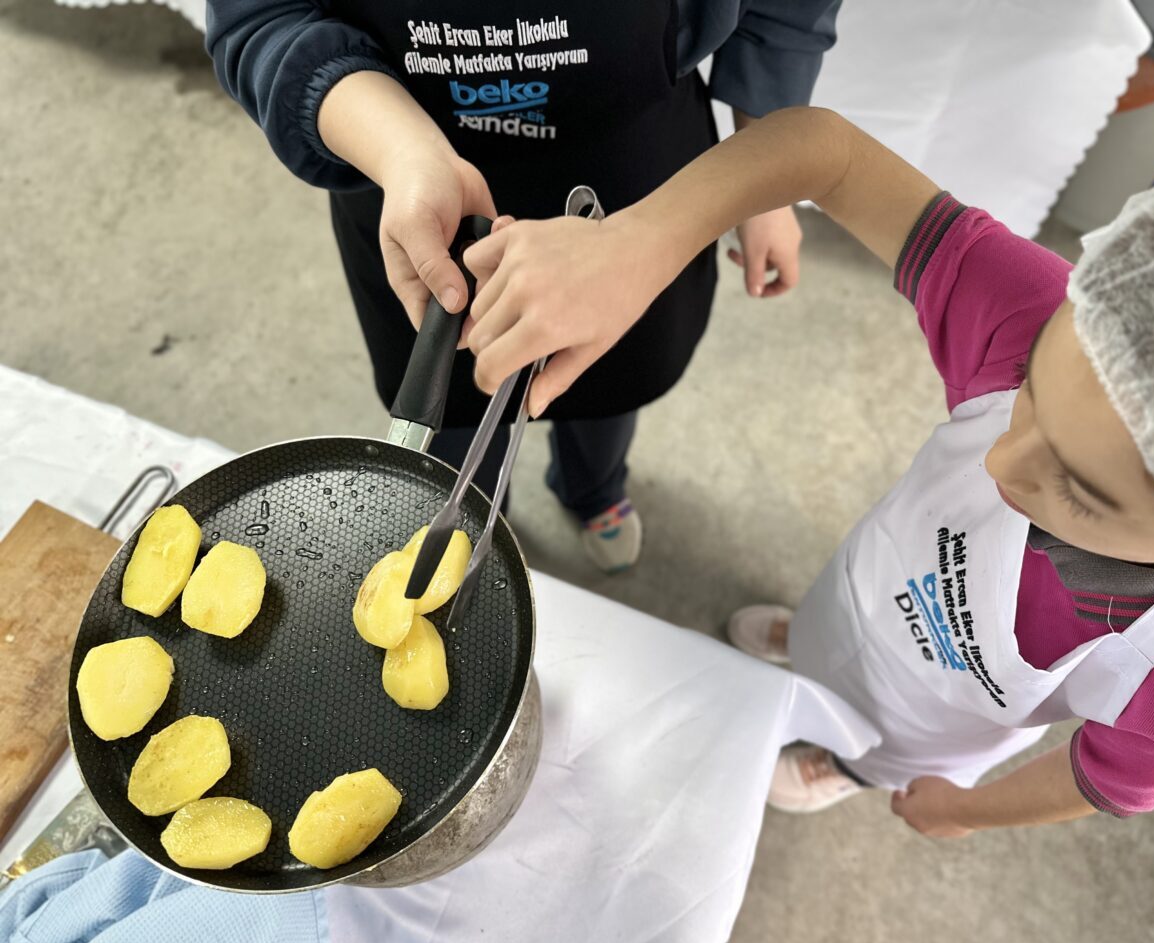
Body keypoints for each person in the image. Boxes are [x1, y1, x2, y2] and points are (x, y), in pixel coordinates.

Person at [456, 108, 1154, 832]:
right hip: (876, 580)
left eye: (1079, 490)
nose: (1000, 459)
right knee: (830, 625)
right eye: (1030, 398)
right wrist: (644, 240)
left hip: (936, 723)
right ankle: (804, 643)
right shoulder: (1031, 312)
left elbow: (1104, 780)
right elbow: (829, 154)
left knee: (875, 743)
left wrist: (959, 810)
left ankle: (838, 766)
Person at [204, 1, 839, 573]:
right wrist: (403, 153)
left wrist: (765, 177)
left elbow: (783, 9)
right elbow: (260, 17)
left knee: (606, 384)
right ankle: (471, 511)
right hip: (414, 183)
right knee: (445, 407)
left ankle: (593, 488)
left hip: (636, 183)